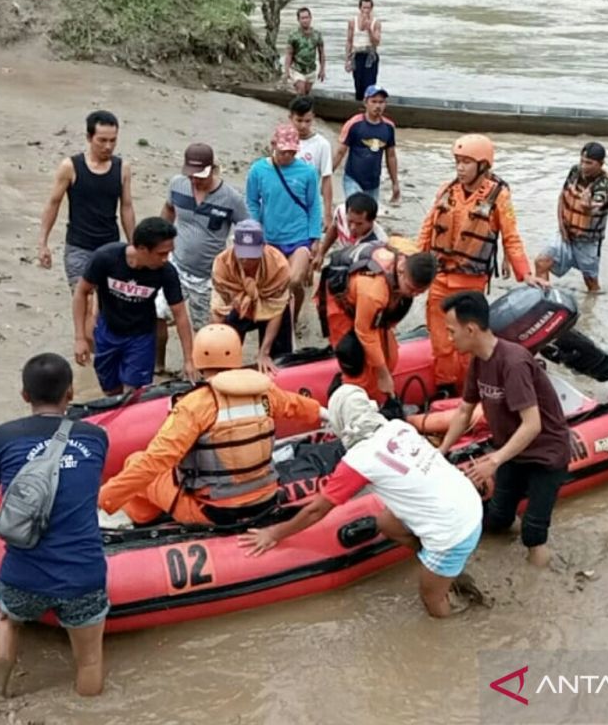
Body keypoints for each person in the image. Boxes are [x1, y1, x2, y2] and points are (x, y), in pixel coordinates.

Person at [239, 384, 482, 618]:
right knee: (387, 522)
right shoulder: (399, 426)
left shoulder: (359, 460)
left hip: (453, 529)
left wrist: (275, 534)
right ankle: (441, 568)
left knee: (431, 600)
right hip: (468, 502)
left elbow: (316, 510)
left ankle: (460, 623)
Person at [0, 353, 109, 697]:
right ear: (70, 393)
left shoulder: (3, 437)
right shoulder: (96, 438)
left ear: (24, 395)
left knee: (8, 621)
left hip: (23, 571)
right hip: (83, 572)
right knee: (89, 660)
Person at [99, 325, 323, 526]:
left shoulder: (195, 405)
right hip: (265, 501)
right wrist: (329, 414)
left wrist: (104, 497)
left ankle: (135, 520)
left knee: (135, 461)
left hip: (214, 512)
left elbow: (155, 461)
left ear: (198, 359)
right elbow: (301, 407)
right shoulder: (265, 393)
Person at [436, 292, 572, 568]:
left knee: (534, 534)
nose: (449, 338)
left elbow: (532, 425)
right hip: (513, 452)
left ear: (470, 329)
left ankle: (540, 593)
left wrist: (494, 460)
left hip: (546, 455)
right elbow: (464, 411)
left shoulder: (513, 362)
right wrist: (441, 451)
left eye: (452, 331)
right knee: (497, 518)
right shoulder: (478, 360)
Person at [418, 134, 538, 397]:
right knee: (440, 341)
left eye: (466, 163)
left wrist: (524, 273)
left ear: (483, 166)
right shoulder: (447, 190)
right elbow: (428, 228)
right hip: (440, 277)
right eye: (457, 162)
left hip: (470, 282)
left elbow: (511, 236)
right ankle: (445, 388)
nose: (460, 168)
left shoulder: (499, 197)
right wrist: (416, 263)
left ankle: (468, 391)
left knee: (466, 341)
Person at [72, 217, 196, 395]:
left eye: (169, 253)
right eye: (161, 254)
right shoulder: (105, 258)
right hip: (108, 332)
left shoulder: (166, 272)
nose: (166, 259)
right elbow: (81, 292)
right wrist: (80, 338)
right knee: (111, 391)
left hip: (141, 337)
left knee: (134, 394)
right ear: (142, 249)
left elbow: (180, 314)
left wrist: (188, 360)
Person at [154, 143, 249, 373]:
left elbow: (247, 230)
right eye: (192, 176)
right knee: (156, 313)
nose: (195, 181)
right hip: (175, 266)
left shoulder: (231, 198)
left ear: (213, 169)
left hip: (209, 276)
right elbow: (168, 210)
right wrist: (157, 245)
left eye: (201, 176)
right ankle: (157, 365)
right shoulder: (177, 185)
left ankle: (200, 370)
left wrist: (241, 268)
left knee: (206, 330)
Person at [319, 243, 437, 406]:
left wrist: (383, 369)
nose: (414, 295)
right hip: (342, 306)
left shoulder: (409, 258)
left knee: (391, 357)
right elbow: (365, 333)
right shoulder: (373, 290)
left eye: (420, 293)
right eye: (411, 289)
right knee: (355, 360)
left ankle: (376, 398)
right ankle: (345, 397)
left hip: (376, 306)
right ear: (401, 268)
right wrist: (382, 374)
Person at [36, 110, 135, 291]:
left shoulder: (122, 169)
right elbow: (53, 203)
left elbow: (126, 208)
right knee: (85, 301)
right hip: (78, 247)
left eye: (113, 140)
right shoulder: (71, 167)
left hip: (111, 248)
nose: (108, 146)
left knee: (106, 306)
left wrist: (134, 245)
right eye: (102, 140)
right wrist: (43, 243)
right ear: (89, 138)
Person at [246, 123, 323, 322]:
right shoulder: (258, 170)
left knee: (293, 280)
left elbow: (314, 205)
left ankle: (292, 319)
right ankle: (275, 320)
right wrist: (255, 229)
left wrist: (315, 238)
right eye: (282, 152)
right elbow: (252, 202)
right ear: (273, 146)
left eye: (291, 152)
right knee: (273, 283)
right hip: (271, 238)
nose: (286, 156)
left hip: (299, 237)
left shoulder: (307, 173)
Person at [211, 221, 294, 374]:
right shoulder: (222, 263)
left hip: (272, 305)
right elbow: (219, 309)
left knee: (279, 359)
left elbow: (277, 310)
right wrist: (218, 351)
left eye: (251, 256)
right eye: (242, 255)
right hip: (237, 304)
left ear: (263, 247)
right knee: (223, 356)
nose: (246, 261)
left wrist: (264, 352)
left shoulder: (279, 266)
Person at [534, 142, 608, 293]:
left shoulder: (604, 185)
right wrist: (561, 227)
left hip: (588, 241)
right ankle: (543, 299)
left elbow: (596, 206)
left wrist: (586, 205)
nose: (584, 166)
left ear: (600, 164)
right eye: (582, 161)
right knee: (541, 262)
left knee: (591, 282)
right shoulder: (575, 171)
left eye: (589, 163)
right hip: (565, 234)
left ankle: (589, 311)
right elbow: (562, 198)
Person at [333, 85, 399, 203]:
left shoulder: (389, 127)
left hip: (373, 184)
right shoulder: (354, 124)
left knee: (368, 218)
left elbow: (391, 156)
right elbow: (340, 152)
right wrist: (327, 175)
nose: (378, 106)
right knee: (356, 209)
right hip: (353, 179)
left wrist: (395, 183)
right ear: (365, 103)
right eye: (373, 101)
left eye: (381, 102)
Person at [290, 95, 334, 231]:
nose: (303, 125)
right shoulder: (284, 141)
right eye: (299, 120)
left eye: (307, 121)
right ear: (290, 117)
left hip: (309, 204)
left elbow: (327, 179)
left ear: (313, 118)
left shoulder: (322, 145)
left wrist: (327, 213)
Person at [319, 192, 388, 256]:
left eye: (359, 224)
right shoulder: (340, 212)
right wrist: (321, 253)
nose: (352, 227)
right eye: (350, 221)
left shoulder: (379, 243)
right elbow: (334, 228)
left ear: (372, 220)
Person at [345, 0, 382, 102]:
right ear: (360, 8)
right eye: (364, 8)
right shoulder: (353, 21)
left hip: (370, 56)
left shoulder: (376, 23)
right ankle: (359, 104)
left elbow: (377, 42)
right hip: (357, 55)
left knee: (369, 84)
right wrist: (347, 59)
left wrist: (369, 29)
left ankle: (369, 105)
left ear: (371, 9)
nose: (366, 10)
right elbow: (349, 41)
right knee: (358, 83)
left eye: (368, 8)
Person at [284, 7, 326, 96]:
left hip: (311, 69)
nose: (305, 20)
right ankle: (298, 108)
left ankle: (299, 107)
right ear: (298, 20)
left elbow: (321, 53)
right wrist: (286, 71)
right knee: (301, 90)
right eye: (302, 18)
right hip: (297, 68)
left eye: (307, 17)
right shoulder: (293, 35)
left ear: (310, 18)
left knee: (306, 92)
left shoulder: (317, 34)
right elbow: (289, 53)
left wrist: (322, 70)